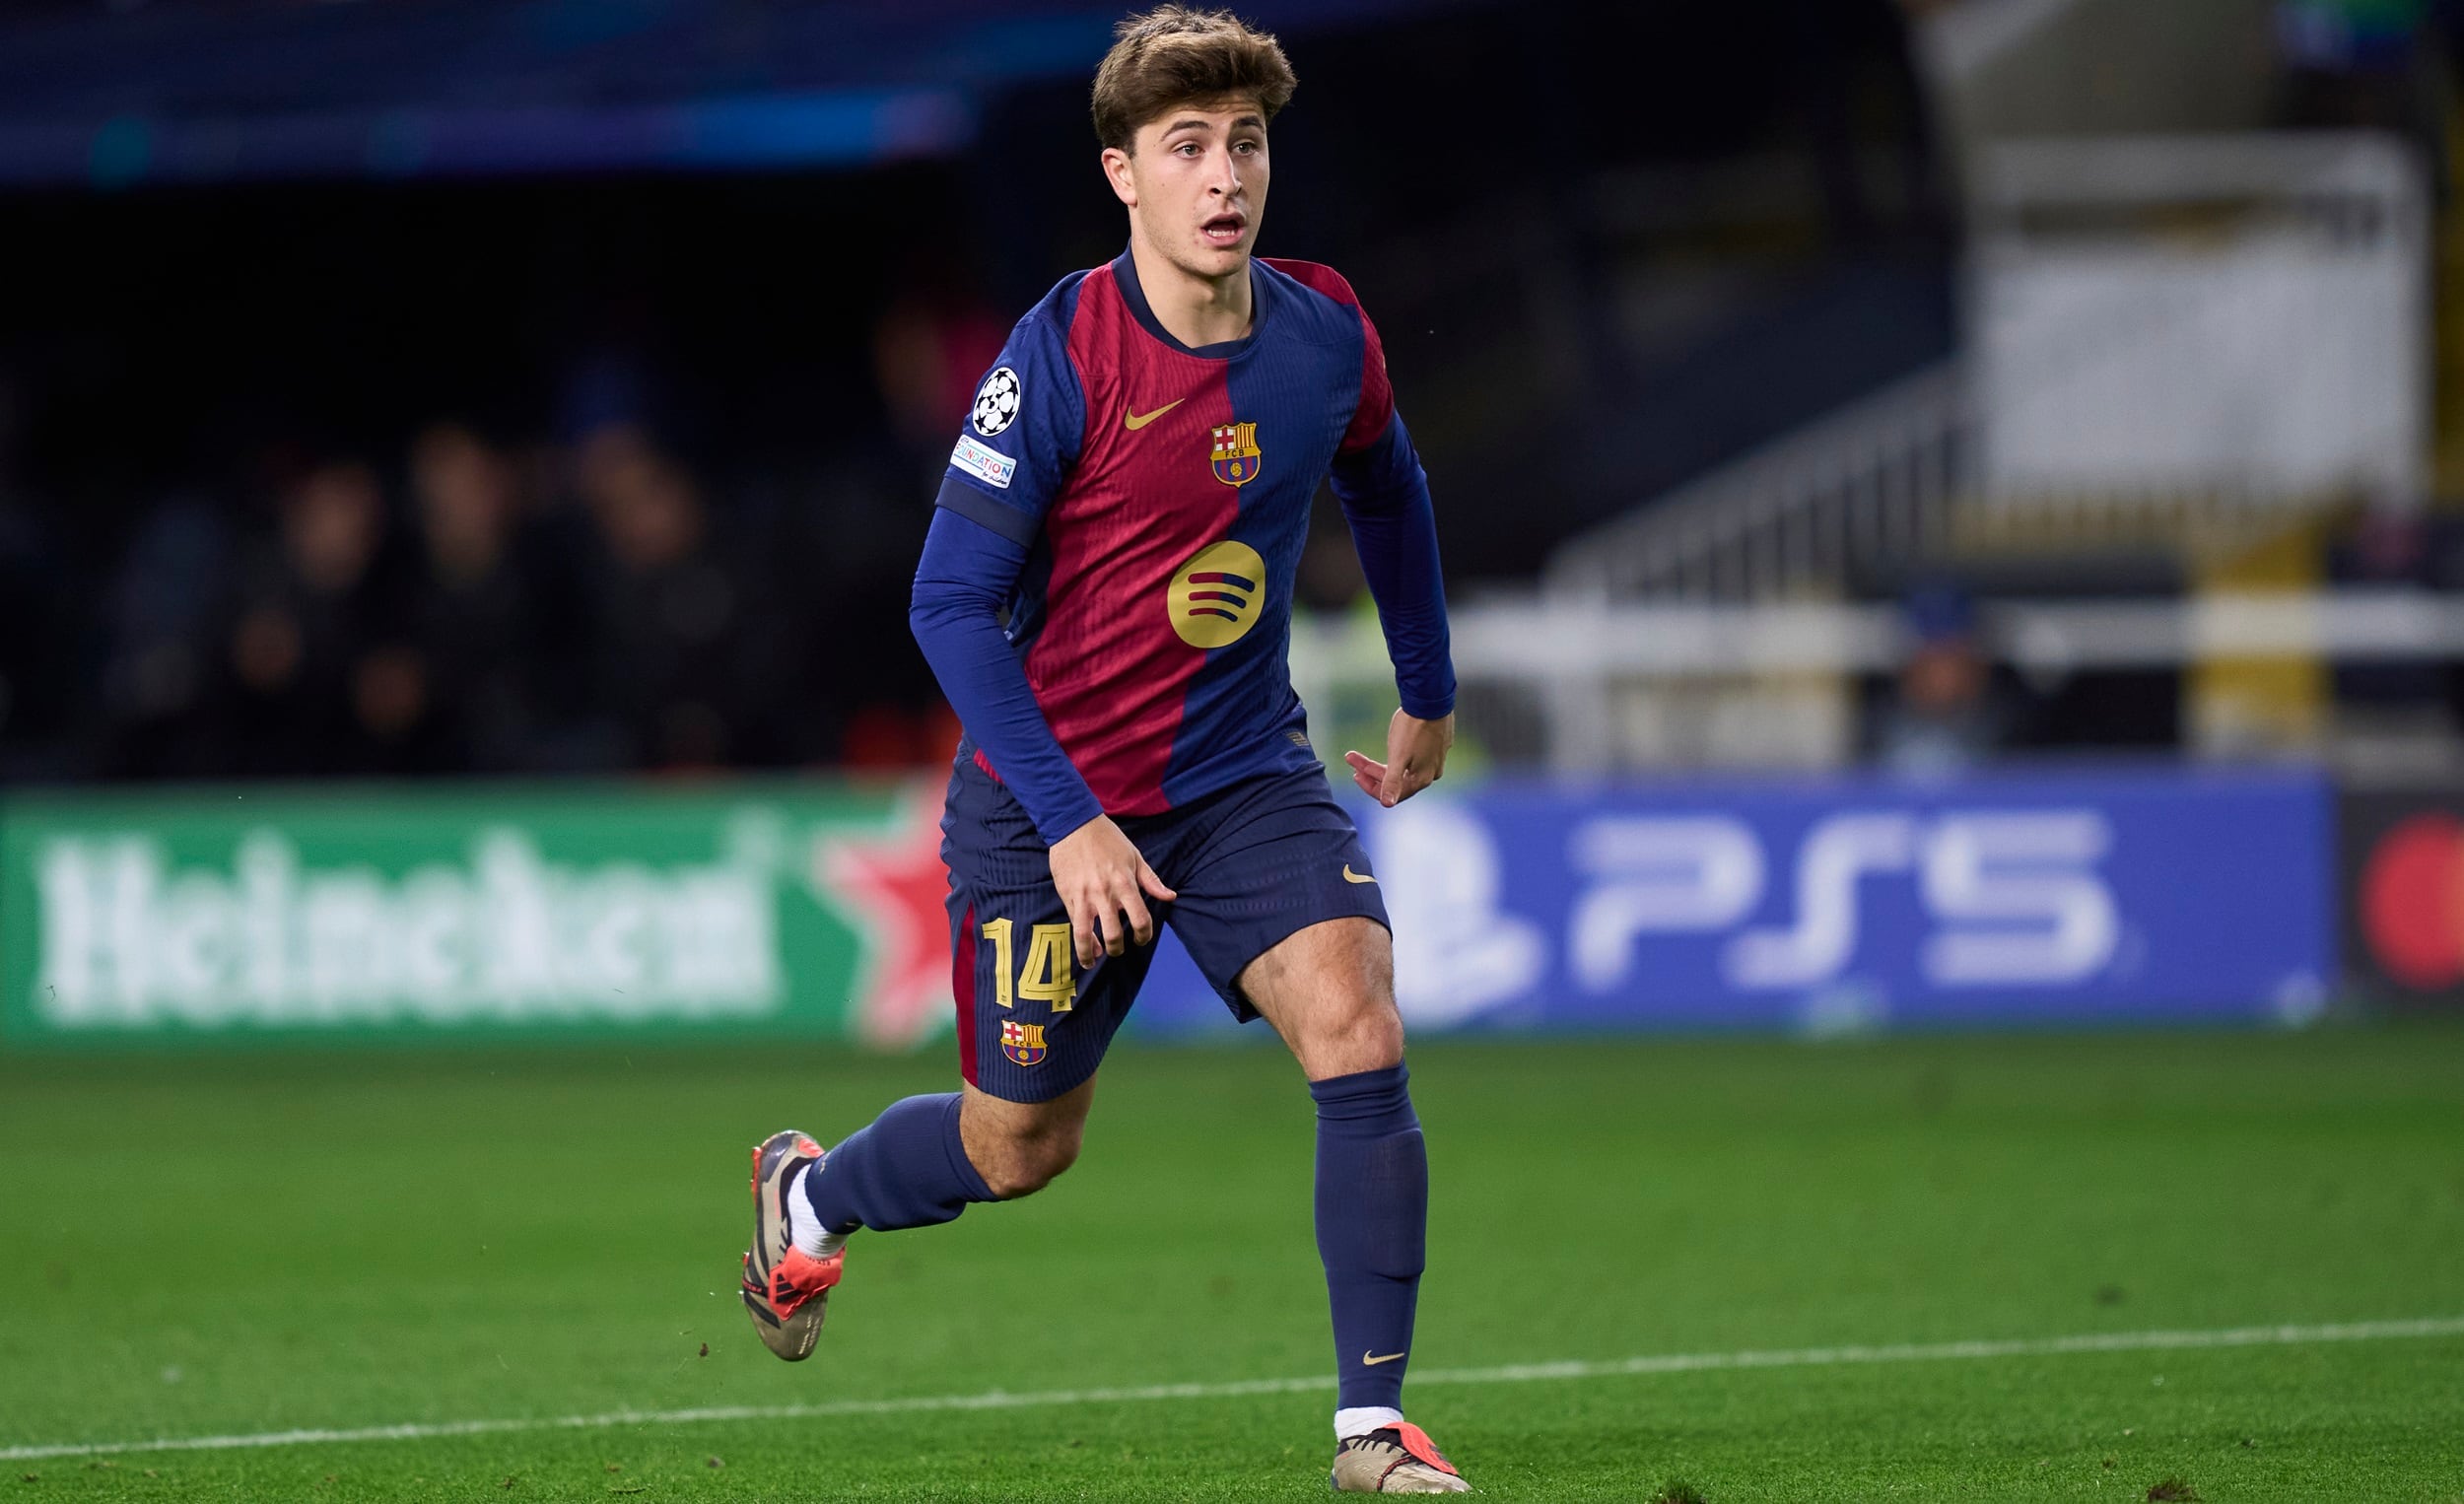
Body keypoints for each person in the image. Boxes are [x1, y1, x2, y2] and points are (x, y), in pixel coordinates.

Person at [735, 8, 1466, 1492]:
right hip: (1044, 805)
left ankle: (1370, 1429)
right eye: (1187, 148)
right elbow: (948, 602)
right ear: (1123, 173)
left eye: (1245, 145)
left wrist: (1425, 685)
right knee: (1021, 1146)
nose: (1224, 179)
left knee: (1357, 1019)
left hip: (1242, 775)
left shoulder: (1324, 331)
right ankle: (811, 1197)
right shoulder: (1063, 352)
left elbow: (1389, 489)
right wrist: (1070, 820)